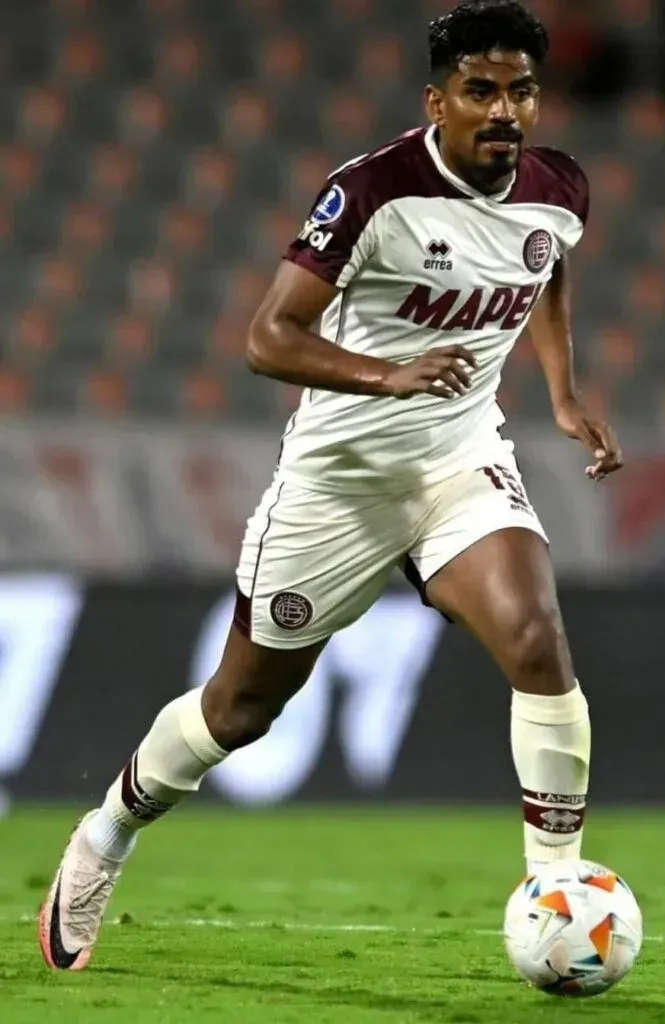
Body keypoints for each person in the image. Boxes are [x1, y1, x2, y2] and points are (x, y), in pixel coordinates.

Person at [39, 0, 623, 971]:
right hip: (338, 482)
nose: (505, 108)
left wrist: (563, 396)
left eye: (520, 88)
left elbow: (546, 269)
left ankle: (557, 886)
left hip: (458, 461)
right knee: (240, 709)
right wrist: (387, 373)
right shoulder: (373, 193)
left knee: (536, 637)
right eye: (481, 89)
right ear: (438, 100)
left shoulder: (559, 188)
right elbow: (269, 336)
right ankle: (105, 834)